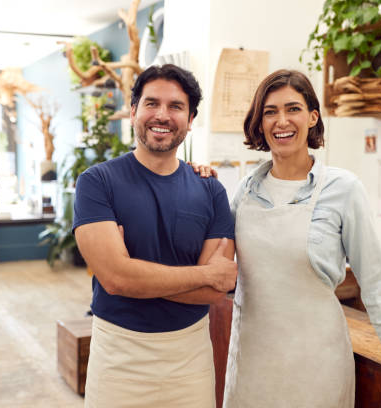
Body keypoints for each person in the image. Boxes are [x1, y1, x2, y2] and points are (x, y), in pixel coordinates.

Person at [222, 69, 381, 407]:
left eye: (293, 109)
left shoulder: (343, 189)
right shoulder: (245, 192)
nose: (281, 121)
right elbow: (217, 262)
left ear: (312, 117)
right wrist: (195, 183)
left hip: (317, 365)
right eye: (270, 111)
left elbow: (377, 283)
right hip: (252, 365)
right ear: (259, 123)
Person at [73, 64, 238, 408]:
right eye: (151, 103)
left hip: (190, 359)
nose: (162, 115)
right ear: (133, 111)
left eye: (176, 106)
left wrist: (137, 273)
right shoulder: (97, 182)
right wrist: (204, 273)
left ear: (191, 119)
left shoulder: (210, 190)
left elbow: (213, 292)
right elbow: (116, 279)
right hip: (119, 357)